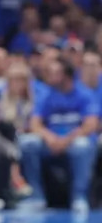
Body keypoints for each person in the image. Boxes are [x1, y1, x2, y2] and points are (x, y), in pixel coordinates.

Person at [18, 59, 98, 213]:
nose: (48, 76)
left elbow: (90, 125)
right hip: (51, 143)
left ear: (66, 75)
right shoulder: (45, 94)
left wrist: (66, 141)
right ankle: (36, 197)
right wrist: (50, 138)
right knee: (27, 143)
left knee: (82, 146)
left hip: (74, 141)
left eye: (54, 73)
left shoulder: (84, 94)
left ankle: (79, 198)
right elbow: (35, 124)